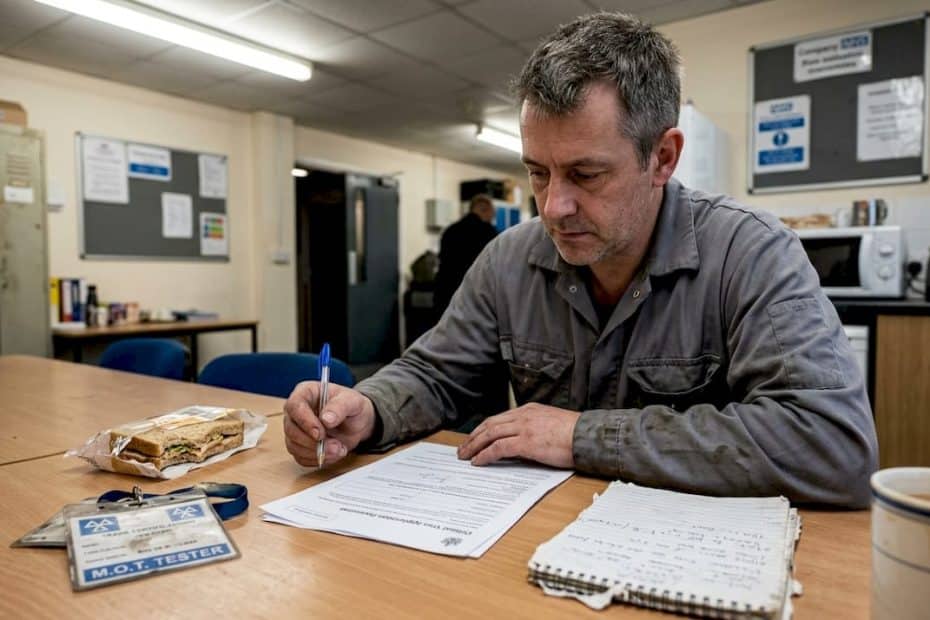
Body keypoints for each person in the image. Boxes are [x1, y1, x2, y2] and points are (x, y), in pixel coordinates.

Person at [283, 12, 877, 508]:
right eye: (537, 173)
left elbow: (830, 444)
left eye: (585, 174)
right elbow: (435, 373)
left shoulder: (750, 253)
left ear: (663, 159)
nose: (552, 206)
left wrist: (582, 436)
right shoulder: (508, 261)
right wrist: (369, 407)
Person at [433, 193, 498, 320]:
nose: (492, 217)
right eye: (492, 213)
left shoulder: (450, 230)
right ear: (485, 210)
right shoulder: (488, 232)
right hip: (473, 298)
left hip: (445, 294)